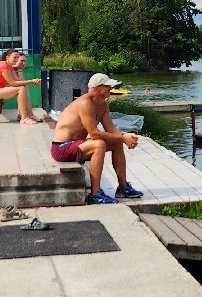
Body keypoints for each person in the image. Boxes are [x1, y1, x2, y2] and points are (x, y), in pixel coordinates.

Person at [51, 72, 143, 205]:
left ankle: (123, 187)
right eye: (108, 87)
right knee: (98, 144)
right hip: (61, 148)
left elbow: (111, 129)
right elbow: (94, 134)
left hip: (78, 145)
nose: (111, 89)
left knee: (116, 142)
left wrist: (125, 137)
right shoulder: (85, 103)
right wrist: (123, 138)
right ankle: (95, 194)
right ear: (96, 88)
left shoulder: (103, 105)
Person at [0, 48, 42, 124]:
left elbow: (19, 81)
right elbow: (13, 83)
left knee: (23, 87)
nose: (16, 60)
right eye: (14, 57)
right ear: (7, 57)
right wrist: (32, 81)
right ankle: (24, 118)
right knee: (21, 89)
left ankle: (28, 115)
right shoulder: (3, 65)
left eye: (17, 58)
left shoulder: (10, 66)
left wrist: (19, 70)